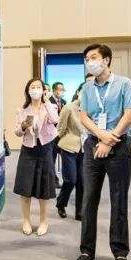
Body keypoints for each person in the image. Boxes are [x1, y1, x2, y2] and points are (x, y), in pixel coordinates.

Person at [75, 44, 131, 260]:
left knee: (118, 199)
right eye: (86, 59)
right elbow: (84, 116)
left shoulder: (124, 83)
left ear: (107, 60)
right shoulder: (87, 87)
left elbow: (130, 113)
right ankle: (86, 249)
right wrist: (101, 136)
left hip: (119, 144)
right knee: (88, 199)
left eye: (93, 57)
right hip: (94, 143)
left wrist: (110, 139)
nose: (89, 62)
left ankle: (120, 251)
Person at [13, 78, 59, 236]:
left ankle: (43, 221)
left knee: (44, 188)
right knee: (25, 188)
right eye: (32, 87)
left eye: (39, 87)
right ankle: (26, 220)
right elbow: (17, 132)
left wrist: (46, 101)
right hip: (28, 150)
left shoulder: (50, 106)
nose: (35, 90)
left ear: (43, 90)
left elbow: (55, 119)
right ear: (28, 91)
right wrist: (23, 126)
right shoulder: (22, 110)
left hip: (45, 149)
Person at [55, 83, 85, 220]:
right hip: (69, 147)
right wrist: (62, 142)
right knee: (71, 179)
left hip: (84, 149)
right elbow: (60, 129)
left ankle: (80, 211)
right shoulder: (68, 108)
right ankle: (61, 203)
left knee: (82, 181)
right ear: (78, 92)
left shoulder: (91, 109)